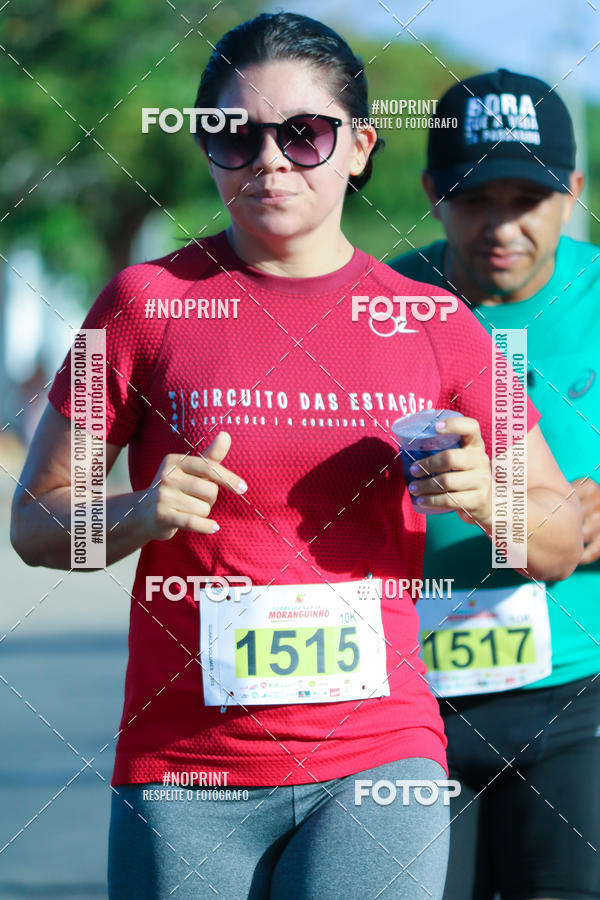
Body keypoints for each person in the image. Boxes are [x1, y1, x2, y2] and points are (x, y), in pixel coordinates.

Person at [10, 21, 581, 898]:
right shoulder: (141, 306)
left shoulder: (436, 323)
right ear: (205, 147)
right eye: (235, 135)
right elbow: (35, 528)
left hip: (377, 760)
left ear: (358, 147)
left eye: (303, 134)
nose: (269, 161)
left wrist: (491, 497)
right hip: (184, 769)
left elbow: (557, 543)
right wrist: (135, 514)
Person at [391, 68, 600, 900]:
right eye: (476, 199)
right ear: (433, 193)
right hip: (412, 704)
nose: (503, 226)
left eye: (528, 198)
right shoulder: (381, 302)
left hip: (577, 698)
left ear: (572, 192)